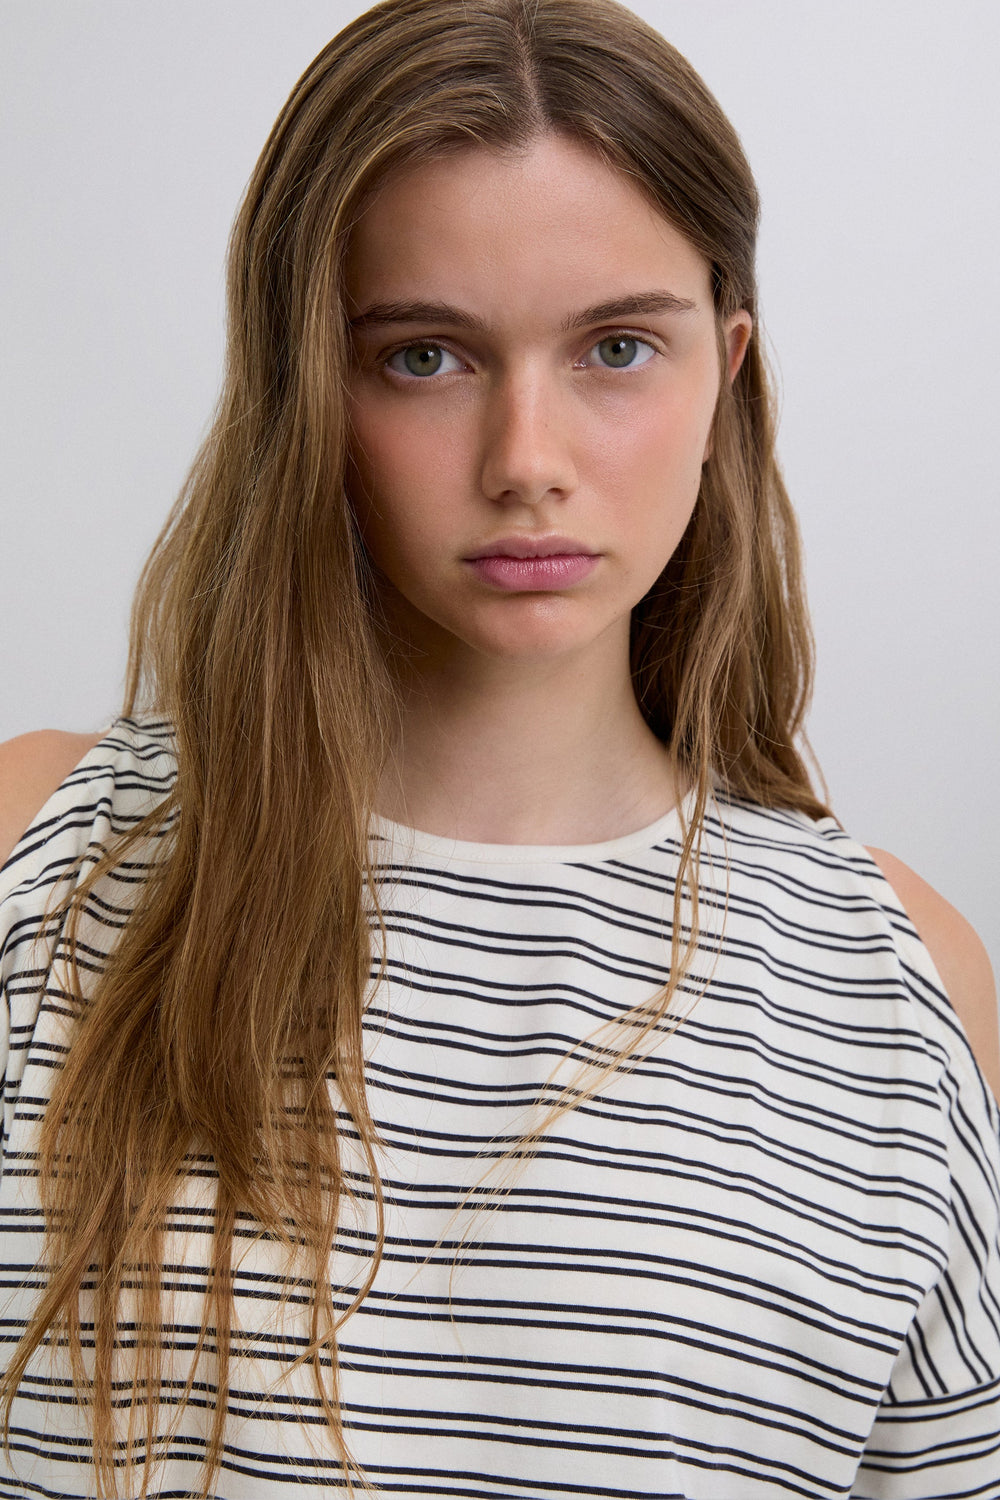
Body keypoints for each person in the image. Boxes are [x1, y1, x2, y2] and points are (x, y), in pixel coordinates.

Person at [1, 0, 998, 1495]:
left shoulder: (900, 984)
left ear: (725, 372)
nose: (527, 460)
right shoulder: (40, 855)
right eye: (425, 357)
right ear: (306, 385)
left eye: (616, 347)